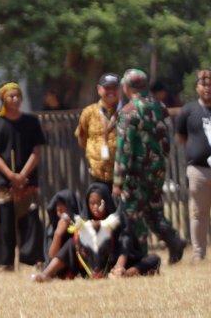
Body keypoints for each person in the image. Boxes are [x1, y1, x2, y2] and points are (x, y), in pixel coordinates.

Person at [114, 68, 186, 265]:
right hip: (158, 168)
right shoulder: (159, 106)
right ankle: (173, 240)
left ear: (127, 88)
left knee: (134, 213)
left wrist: (118, 181)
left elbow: (124, 149)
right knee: (154, 211)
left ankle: (143, 257)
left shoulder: (129, 111)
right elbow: (166, 139)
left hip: (136, 173)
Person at [32, 182, 159, 281]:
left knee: (152, 260)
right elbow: (68, 251)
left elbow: (124, 244)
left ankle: (127, 274)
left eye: (99, 203)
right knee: (72, 244)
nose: (95, 207)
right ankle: (46, 274)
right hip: (90, 266)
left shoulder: (117, 220)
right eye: (91, 203)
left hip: (113, 264)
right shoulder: (84, 223)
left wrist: (119, 267)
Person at [0, 82, 47, 270]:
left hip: (27, 180)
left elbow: (37, 150)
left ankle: (33, 258)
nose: (15, 99)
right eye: (11, 96)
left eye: (18, 96)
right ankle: (5, 262)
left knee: (31, 218)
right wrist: (10, 174)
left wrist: (22, 175)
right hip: (5, 182)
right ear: (3, 99)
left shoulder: (31, 122)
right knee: (5, 222)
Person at [176, 69, 211, 262]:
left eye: (210, 85)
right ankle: (199, 253)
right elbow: (181, 137)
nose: (208, 89)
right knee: (199, 212)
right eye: (204, 85)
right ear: (197, 87)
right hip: (198, 170)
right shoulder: (188, 111)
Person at [75, 73, 120, 186]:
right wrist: (96, 151)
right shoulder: (89, 112)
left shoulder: (128, 111)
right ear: (99, 89)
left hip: (123, 175)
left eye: (114, 88)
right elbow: (82, 138)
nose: (111, 91)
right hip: (97, 175)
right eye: (107, 88)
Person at [44, 190, 80, 261]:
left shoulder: (81, 224)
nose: (58, 208)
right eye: (57, 205)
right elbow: (51, 258)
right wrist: (58, 234)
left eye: (62, 204)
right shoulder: (52, 227)